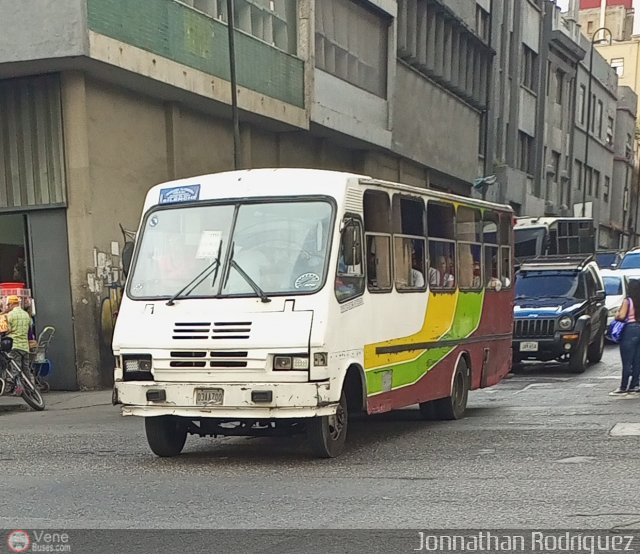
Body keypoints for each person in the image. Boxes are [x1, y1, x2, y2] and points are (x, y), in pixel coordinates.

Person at [610, 279, 640, 395]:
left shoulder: (628, 301)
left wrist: (617, 314)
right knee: (637, 360)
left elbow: (622, 316)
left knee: (627, 360)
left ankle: (623, 386)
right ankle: (635, 385)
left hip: (630, 330)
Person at [4, 295, 33, 380]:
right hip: (25, 347)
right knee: (26, 369)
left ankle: (18, 387)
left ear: (12, 304)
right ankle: (30, 387)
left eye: (8, 305)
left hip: (14, 345)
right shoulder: (26, 315)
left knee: (15, 368)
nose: (8, 307)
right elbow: (29, 329)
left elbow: (8, 330)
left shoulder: (9, 315)